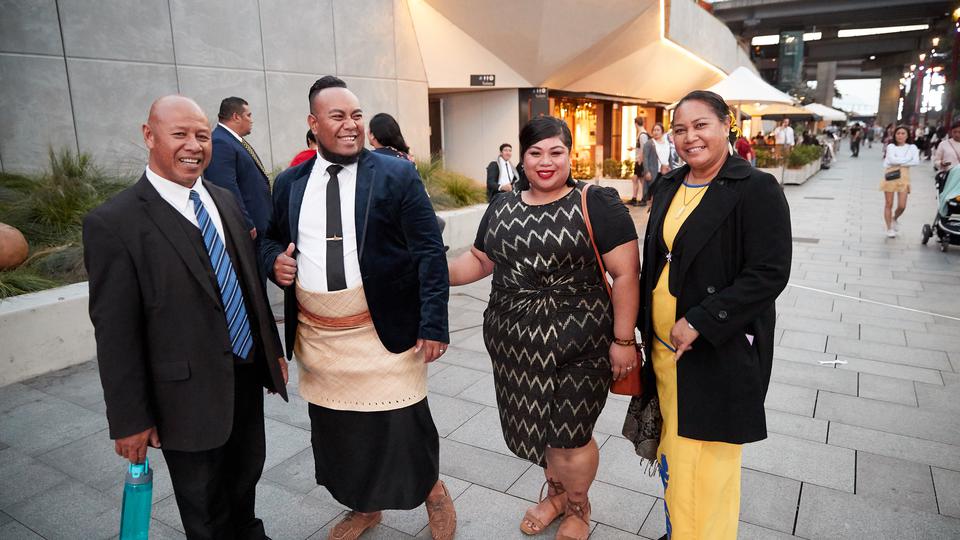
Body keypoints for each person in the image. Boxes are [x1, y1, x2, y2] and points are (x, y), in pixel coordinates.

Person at [83, 96, 289, 539]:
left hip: (244, 375)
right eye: (179, 134)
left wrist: (271, 355)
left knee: (246, 476)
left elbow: (250, 287)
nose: (193, 145)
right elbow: (115, 334)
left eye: (201, 135)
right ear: (149, 135)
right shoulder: (114, 223)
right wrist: (130, 419)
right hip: (182, 396)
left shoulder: (224, 200)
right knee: (204, 503)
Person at [260, 76, 455, 540]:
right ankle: (365, 507)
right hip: (320, 337)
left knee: (404, 427)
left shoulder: (395, 174)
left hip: (383, 331)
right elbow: (268, 239)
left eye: (356, 115)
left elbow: (429, 251)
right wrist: (273, 261)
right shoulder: (289, 183)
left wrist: (434, 323)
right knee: (341, 434)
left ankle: (433, 491)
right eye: (338, 116)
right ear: (313, 123)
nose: (351, 125)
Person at [448, 116, 640, 540]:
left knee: (570, 436)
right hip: (515, 347)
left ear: (570, 155)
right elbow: (479, 260)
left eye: (556, 152)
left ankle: (578, 507)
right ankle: (556, 495)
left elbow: (626, 274)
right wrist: (434, 271)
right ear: (522, 158)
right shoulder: (503, 206)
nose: (546, 161)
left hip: (581, 345)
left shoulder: (596, 202)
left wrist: (624, 340)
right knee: (539, 431)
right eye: (536, 152)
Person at [625, 90, 791, 540]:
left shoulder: (755, 188)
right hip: (665, 352)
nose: (690, 137)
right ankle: (679, 530)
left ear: (726, 124)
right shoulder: (669, 185)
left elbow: (769, 272)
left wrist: (702, 319)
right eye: (680, 129)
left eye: (701, 125)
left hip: (718, 352)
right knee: (675, 458)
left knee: (708, 466)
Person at [205, 97, 271, 240]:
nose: (251, 120)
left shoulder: (232, 140)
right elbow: (225, 188)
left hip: (259, 223)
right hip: (249, 229)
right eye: (248, 115)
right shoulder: (220, 142)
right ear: (236, 117)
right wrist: (245, 223)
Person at [881, 125, 921, 238]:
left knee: (902, 206)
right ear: (894, 135)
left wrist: (898, 161)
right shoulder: (891, 146)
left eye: (903, 133)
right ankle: (889, 228)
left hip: (904, 177)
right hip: (890, 175)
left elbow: (916, 162)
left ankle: (895, 218)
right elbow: (891, 160)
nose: (900, 136)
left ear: (907, 135)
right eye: (898, 133)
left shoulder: (912, 147)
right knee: (888, 203)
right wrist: (907, 160)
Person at [643, 123, 677, 209]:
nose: (656, 132)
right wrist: (647, 171)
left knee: (663, 195)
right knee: (653, 195)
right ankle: (653, 210)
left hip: (666, 172)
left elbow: (670, 158)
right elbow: (645, 158)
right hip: (654, 173)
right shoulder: (649, 143)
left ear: (662, 132)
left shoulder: (667, 143)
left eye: (658, 130)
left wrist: (672, 170)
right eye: (654, 130)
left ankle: (657, 210)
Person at [629, 118, 651, 206]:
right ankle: (634, 198)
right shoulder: (641, 133)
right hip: (639, 159)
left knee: (642, 180)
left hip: (640, 160)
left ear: (636, 124)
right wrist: (633, 148)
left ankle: (644, 199)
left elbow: (644, 148)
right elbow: (641, 147)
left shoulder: (642, 134)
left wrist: (640, 160)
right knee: (635, 178)